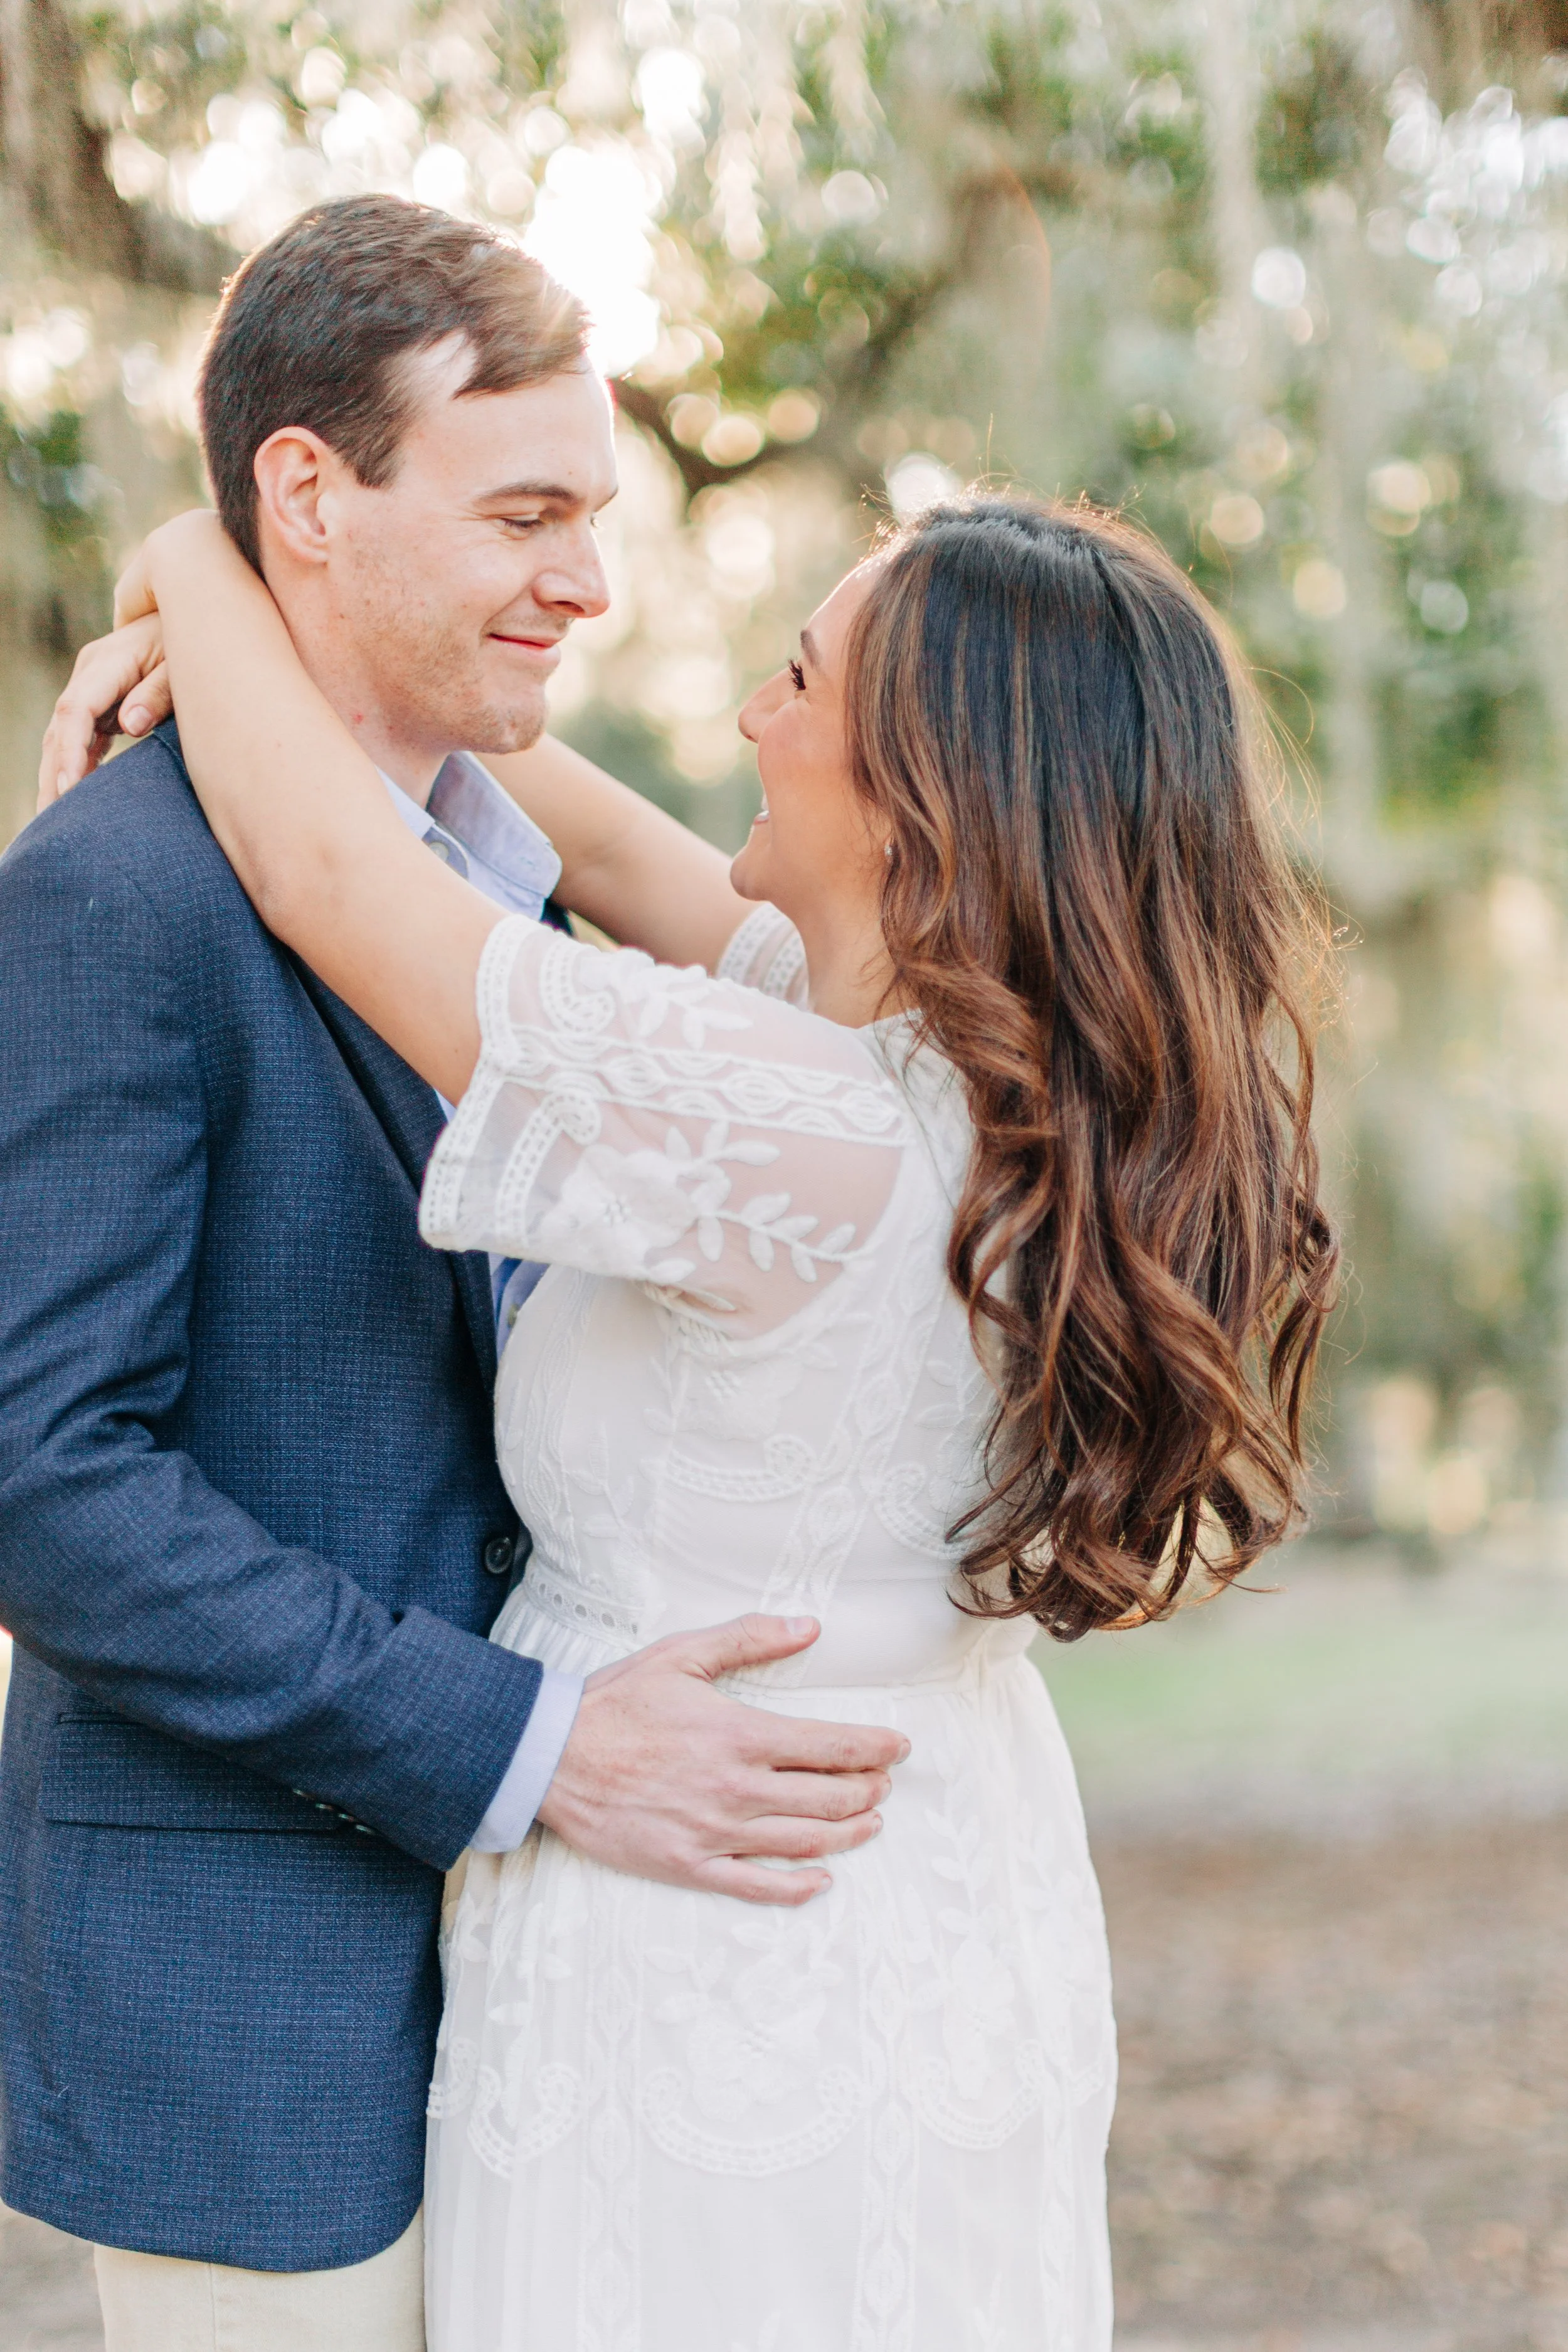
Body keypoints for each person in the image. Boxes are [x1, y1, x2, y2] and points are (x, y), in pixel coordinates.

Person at [73, 468, 1339, 2349]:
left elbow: (335, 874)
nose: (749, 715)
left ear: (925, 796)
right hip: (922, 1878)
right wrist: (355, 634)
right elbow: (574, 829)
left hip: (720, 1931)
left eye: (795, 679)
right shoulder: (936, 1072)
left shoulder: (785, 1126)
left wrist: (201, 548)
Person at [0, 196, 904, 2352]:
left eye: (595, 510)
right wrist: (523, 1743)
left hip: (594, 2003)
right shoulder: (113, 889)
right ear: (305, 496)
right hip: (255, 2005)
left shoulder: (538, 915)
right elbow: (41, 1474)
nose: (589, 577)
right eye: (523, 512)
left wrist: (179, 564)